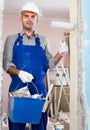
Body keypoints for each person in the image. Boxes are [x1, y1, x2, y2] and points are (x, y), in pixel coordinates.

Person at [3, 2, 68, 130]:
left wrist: (60, 54)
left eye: (33, 16)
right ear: (21, 18)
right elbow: (6, 64)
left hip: (38, 88)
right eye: (26, 16)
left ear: (37, 19)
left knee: (40, 124)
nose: (29, 19)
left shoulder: (43, 40)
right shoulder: (11, 39)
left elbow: (50, 63)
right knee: (17, 124)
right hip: (17, 87)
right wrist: (20, 73)